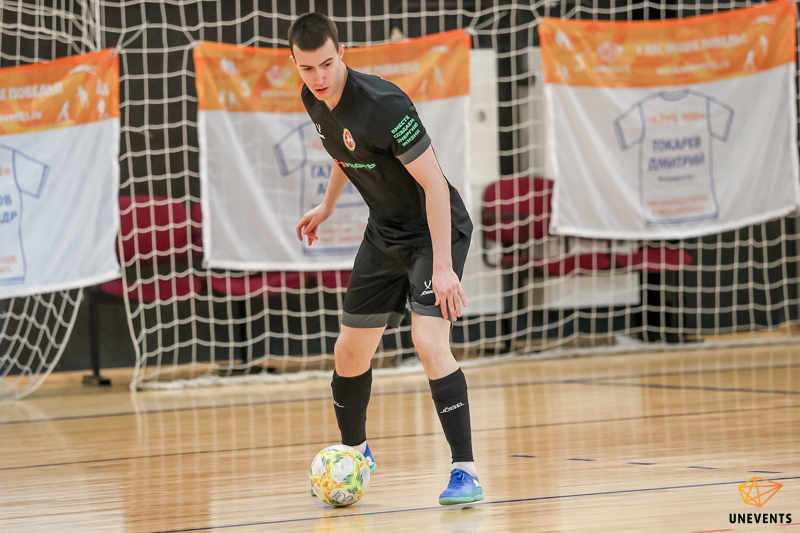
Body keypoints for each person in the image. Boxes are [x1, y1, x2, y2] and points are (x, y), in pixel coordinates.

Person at [289, 12, 482, 505]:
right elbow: (343, 151)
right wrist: (328, 206)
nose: (319, 77)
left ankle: (465, 471)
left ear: (341, 52)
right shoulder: (313, 98)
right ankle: (355, 456)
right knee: (349, 352)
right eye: (307, 68)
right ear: (295, 64)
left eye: (327, 64)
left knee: (428, 342)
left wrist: (443, 267)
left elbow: (434, 185)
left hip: (433, 234)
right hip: (384, 234)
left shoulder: (384, 105)